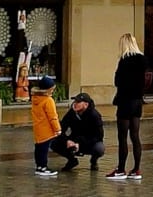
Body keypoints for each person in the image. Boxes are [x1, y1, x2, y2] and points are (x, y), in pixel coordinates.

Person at [106, 33, 147, 180]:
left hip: (125, 101)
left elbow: (118, 81)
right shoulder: (142, 60)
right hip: (137, 101)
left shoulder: (124, 61)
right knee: (135, 136)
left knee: (122, 137)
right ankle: (136, 169)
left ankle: (121, 169)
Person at [52, 92, 105, 171]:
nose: (75, 104)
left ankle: (94, 161)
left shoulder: (95, 115)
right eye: (75, 101)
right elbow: (61, 128)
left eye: (78, 102)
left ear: (86, 104)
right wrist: (67, 140)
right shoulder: (72, 113)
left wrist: (80, 144)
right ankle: (72, 160)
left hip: (89, 141)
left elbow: (99, 136)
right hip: (74, 139)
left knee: (99, 148)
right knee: (54, 143)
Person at [30, 74, 61, 177]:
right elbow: (53, 117)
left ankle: (39, 166)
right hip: (47, 129)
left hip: (38, 128)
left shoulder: (35, 99)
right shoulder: (48, 101)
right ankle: (43, 167)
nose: (52, 91)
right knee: (44, 150)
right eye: (52, 89)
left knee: (39, 148)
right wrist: (58, 129)